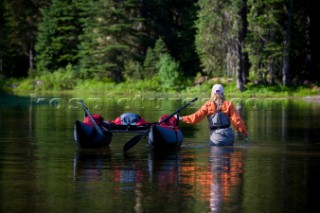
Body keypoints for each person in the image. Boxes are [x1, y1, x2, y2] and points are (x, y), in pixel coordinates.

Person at [177, 84, 248, 146]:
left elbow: (196, 118)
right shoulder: (229, 104)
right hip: (229, 136)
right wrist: (244, 132)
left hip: (216, 137)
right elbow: (237, 121)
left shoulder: (208, 105)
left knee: (215, 159)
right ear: (223, 93)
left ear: (212, 93)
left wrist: (181, 118)